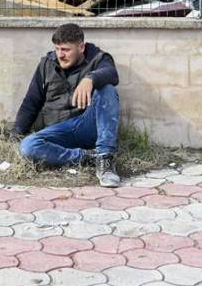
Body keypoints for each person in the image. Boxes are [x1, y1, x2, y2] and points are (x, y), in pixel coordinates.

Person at [12, 23, 121, 187]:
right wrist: (17, 133)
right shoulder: (46, 64)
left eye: (66, 50)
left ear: (81, 47)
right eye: (57, 49)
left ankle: (105, 159)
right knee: (28, 146)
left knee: (107, 90)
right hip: (58, 131)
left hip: (85, 125)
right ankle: (88, 157)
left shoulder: (98, 58)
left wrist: (90, 78)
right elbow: (31, 101)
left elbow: (111, 74)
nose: (60, 55)